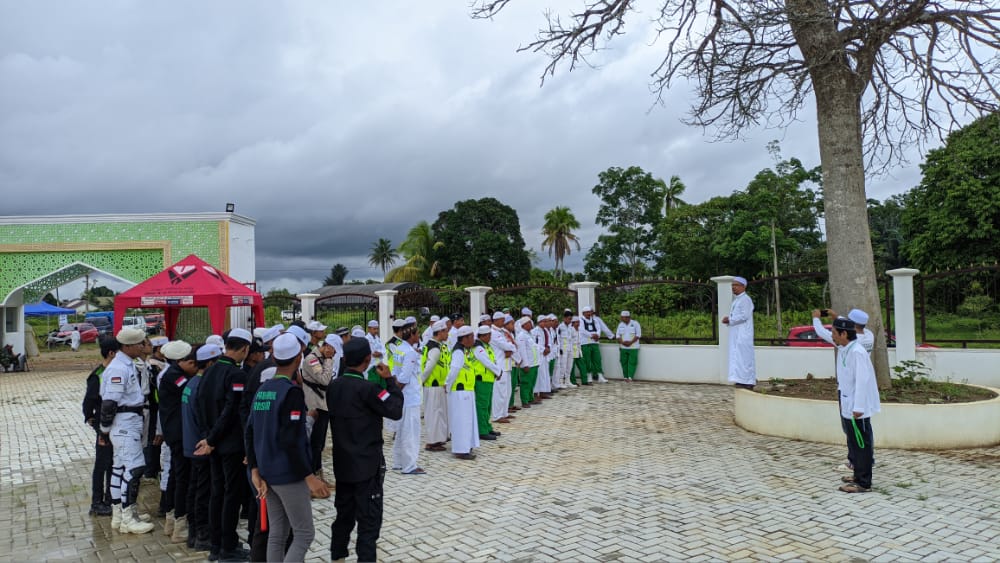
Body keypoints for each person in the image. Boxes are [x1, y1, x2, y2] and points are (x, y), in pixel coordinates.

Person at [246, 333, 330, 562]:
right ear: (299, 358)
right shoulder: (290, 392)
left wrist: (254, 468)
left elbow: (250, 430)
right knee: (304, 534)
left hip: (267, 471)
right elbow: (291, 439)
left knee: (278, 534)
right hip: (288, 474)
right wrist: (309, 476)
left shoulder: (263, 389)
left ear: (274, 357)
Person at [327, 338, 403, 563]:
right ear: (368, 359)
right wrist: (389, 380)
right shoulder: (369, 389)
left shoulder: (334, 386)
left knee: (343, 517)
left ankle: (337, 557)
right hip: (367, 466)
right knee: (369, 523)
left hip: (343, 464)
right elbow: (395, 410)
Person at [194, 328, 253, 561]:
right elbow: (232, 411)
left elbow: (200, 405)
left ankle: (216, 544)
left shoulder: (209, 370)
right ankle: (227, 547)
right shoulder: (236, 374)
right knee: (231, 495)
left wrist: (208, 437)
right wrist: (212, 439)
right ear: (244, 349)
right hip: (229, 445)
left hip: (213, 442)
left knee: (217, 493)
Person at [98, 327, 154, 534]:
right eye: (140, 343)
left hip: (128, 421)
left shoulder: (126, 364)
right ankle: (128, 519)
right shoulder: (119, 368)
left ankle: (120, 514)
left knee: (120, 468)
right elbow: (109, 403)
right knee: (134, 468)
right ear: (128, 346)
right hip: (124, 423)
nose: (142, 346)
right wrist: (104, 430)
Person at [830, 317, 881, 493]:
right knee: (854, 443)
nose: (832, 336)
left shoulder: (857, 352)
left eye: (834, 333)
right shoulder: (846, 349)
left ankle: (864, 483)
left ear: (844, 334)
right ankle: (858, 475)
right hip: (848, 404)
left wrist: (858, 407)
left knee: (862, 445)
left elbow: (862, 381)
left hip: (858, 408)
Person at [157, 340, 197, 543]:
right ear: (181, 360)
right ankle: (180, 524)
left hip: (174, 432)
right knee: (182, 477)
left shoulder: (172, 373)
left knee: (175, 475)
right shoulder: (175, 376)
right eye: (192, 363)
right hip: (179, 433)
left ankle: (171, 520)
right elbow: (190, 391)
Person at [182, 343, 221, 551]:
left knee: (194, 489)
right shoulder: (202, 386)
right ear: (211, 363)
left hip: (191, 444)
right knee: (203, 492)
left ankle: (193, 533)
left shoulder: (192, 383)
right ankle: (202, 535)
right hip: (200, 446)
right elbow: (204, 419)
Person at [83, 336, 120, 517]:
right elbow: (88, 401)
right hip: (102, 423)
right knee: (102, 463)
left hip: (114, 422)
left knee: (112, 462)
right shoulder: (98, 375)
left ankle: (110, 498)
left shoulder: (115, 371)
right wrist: (90, 418)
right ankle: (96, 503)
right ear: (111, 353)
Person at [391, 322, 425, 474]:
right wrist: (397, 392)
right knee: (411, 432)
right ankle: (409, 465)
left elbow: (395, 372)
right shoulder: (410, 352)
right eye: (417, 333)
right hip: (410, 396)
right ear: (411, 335)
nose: (419, 336)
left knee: (401, 430)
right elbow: (404, 377)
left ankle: (398, 461)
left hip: (403, 396)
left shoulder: (399, 348)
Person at [301, 334, 334, 478]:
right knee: (315, 443)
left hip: (322, 405)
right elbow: (325, 380)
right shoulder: (312, 359)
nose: (333, 354)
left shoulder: (321, 358)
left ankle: (319, 474)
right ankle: (313, 476)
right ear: (327, 346)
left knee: (320, 444)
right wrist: (329, 360)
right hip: (315, 406)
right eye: (333, 350)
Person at [446, 326, 480, 459]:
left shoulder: (464, 351)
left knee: (468, 420)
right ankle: (461, 449)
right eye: (471, 337)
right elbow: (454, 370)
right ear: (464, 338)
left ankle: (466, 446)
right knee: (462, 421)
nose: (473, 339)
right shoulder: (458, 352)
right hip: (460, 391)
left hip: (467, 389)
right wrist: (447, 386)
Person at [421, 320, 450, 451]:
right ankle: (432, 442)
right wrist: (421, 382)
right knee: (434, 413)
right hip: (433, 385)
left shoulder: (437, 345)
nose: (448, 334)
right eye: (446, 331)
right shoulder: (435, 348)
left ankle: (438, 439)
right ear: (440, 332)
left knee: (439, 413)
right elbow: (428, 367)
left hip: (439, 384)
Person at [723, 276, 756, 389]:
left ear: (743, 286)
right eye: (732, 285)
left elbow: (744, 316)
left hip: (743, 334)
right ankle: (741, 380)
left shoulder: (746, 299)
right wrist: (730, 319)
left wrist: (730, 320)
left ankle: (749, 381)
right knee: (738, 358)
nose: (733, 287)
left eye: (736, 285)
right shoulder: (737, 300)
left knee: (745, 358)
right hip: (736, 334)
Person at [490, 312, 517, 424]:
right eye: (502, 320)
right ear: (496, 320)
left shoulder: (502, 332)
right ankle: (497, 415)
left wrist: (511, 348)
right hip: (499, 366)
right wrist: (511, 347)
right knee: (499, 392)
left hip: (507, 365)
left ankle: (504, 413)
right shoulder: (493, 332)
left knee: (507, 391)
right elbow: (506, 345)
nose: (503, 322)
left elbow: (512, 346)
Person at [579, 306, 614, 384]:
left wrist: (597, 335)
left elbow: (599, 329)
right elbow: (582, 331)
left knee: (597, 359)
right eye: (587, 312)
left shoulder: (595, 320)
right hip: (585, 343)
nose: (589, 314)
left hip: (594, 342)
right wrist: (592, 335)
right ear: (583, 313)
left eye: (590, 312)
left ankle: (600, 376)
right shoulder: (580, 320)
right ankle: (589, 376)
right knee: (587, 360)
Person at [515, 318, 540, 407]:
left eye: (530, 322)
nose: (531, 324)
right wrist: (525, 364)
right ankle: (525, 401)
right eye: (528, 323)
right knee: (526, 383)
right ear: (523, 325)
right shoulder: (521, 336)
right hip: (528, 364)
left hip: (534, 363)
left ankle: (530, 398)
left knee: (532, 382)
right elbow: (522, 351)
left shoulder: (530, 334)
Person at [616, 311, 642, 382]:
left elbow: (638, 335)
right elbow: (617, 335)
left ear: (628, 317)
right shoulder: (620, 324)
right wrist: (622, 342)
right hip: (623, 347)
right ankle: (625, 377)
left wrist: (630, 342)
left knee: (632, 362)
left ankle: (630, 377)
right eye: (621, 317)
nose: (622, 319)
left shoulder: (635, 323)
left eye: (623, 317)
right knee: (623, 362)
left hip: (633, 347)